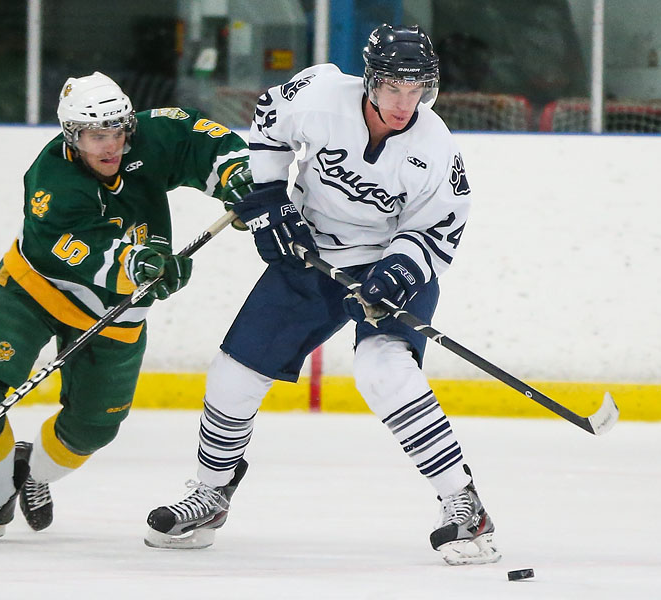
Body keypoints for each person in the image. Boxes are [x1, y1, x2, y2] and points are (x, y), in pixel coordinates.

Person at [144, 25, 501, 566]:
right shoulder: (319, 96)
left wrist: (398, 272)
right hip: (308, 253)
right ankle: (212, 494)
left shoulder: (435, 148)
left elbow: (440, 227)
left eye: (417, 90)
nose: (405, 104)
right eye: (393, 89)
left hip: (388, 261)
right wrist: (268, 193)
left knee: (384, 370)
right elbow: (268, 116)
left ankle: (463, 503)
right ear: (371, 80)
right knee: (232, 374)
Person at [0, 71, 253, 540]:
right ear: (71, 135)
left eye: (118, 132)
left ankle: (31, 473)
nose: (111, 145)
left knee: (92, 430)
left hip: (116, 311)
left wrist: (237, 174)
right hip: (35, 290)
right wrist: (140, 264)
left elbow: (201, 138)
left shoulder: (150, 135)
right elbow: (78, 248)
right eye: (97, 136)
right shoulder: (51, 180)